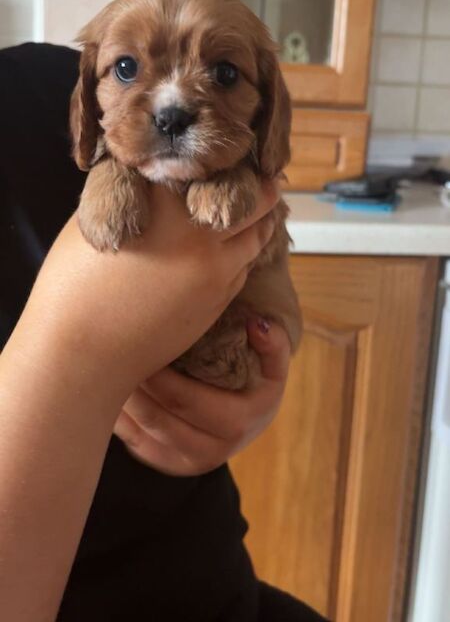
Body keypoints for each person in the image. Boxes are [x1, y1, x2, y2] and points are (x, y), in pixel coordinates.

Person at [0, 43, 326, 622]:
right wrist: (78, 356)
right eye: (126, 71)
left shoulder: (45, 82)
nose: (170, 104)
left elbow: (251, 254)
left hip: (219, 587)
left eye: (224, 74)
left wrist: (246, 377)